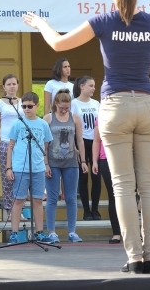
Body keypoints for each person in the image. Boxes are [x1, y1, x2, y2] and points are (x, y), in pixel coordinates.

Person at [24, 0, 150, 274]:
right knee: (149, 185)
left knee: (123, 187)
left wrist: (41, 22)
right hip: (148, 105)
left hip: (115, 107)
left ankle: (134, 258)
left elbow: (57, 44)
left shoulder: (103, 21)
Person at [5, 92, 53, 245]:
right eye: (24, 106)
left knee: (37, 200)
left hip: (38, 168)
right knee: (18, 200)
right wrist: (8, 168)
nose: (26, 109)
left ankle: (39, 232)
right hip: (20, 167)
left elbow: (45, 146)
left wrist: (46, 164)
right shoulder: (17, 123)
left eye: (30, 106)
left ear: (37, 106)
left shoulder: (43, 124)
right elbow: (10, 146)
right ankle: (14, 232)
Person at [44, 90, 87, 243]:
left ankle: (72, 231)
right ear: (56, 104)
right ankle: (51, 231)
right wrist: (46, 164)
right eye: (61, 107)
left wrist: (83, 161)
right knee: (52, 198)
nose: (64, 110)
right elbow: (45, 143)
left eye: (66, 108)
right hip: (53, 162)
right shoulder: (48, 118)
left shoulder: (75, 118)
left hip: (70, 162)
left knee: (71, 198)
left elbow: (80, 141)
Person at [0, 74, 21, 220]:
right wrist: (0, 143)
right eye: (9, 84)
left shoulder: (22, 103)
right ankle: (10, 209)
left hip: (20, 144)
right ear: (4, 87)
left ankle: (19, 208)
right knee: (8, 177)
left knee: (20, 176)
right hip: (5, 142)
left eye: (14, 84)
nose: (12, 87)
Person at [72, 75, 101, 220]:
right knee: (83, 177)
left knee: (96, 177)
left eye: (94, 86)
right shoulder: (74, 104)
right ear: (82, 86)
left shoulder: (96, 104)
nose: (93, 88)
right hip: (81, 141)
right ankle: (86, 210)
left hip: (95, 141)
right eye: (91, 85)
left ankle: (95, 209)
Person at [92, 118, 121, 244]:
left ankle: (132, 232)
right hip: (106, 159)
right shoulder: (101, 117)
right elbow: (97, 141)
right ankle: (116, 233)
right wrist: (94, 161)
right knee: (113, 195)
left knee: (129, 195)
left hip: (125, 158)